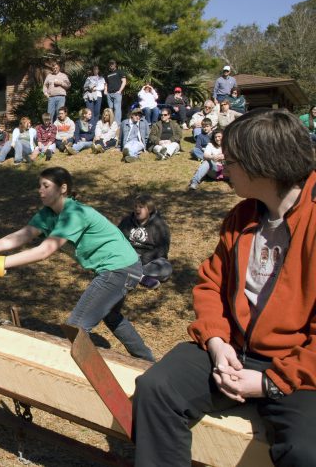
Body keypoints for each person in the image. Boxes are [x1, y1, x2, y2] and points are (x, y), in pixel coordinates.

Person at [133, 109, 316, 466]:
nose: (220, 164)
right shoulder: (242, 215)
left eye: (229, 160)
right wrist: (216, 343)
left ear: (261, 165)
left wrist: (268, 383)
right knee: (156, 390)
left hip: (300, 366)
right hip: (231, 349)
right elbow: (211, 284)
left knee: (308, 452)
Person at [0, 167, 153, 361]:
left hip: (119, 269)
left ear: (63, 188)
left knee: (76, 327)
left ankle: (91, 375)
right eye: (39, 186)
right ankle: (147, 361)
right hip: (120, 268)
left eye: (46, 186)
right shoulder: (47, 214)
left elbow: (44, 251)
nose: (40, 190)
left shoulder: (74, 213)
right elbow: (23, 235)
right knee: (111, 315)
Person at [118, 194, 172, 290]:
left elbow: (162, 250)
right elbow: (118, 238)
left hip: (149, 261)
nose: (137, 210)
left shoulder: (160, 225)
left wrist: (141, 260)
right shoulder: (126, 221)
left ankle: (127, 273)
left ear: (150, 209)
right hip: (129, 256)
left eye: (141, 207)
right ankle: (141, 277)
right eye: (135, 207)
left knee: (165, 269)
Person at [104, 60, 128, 125]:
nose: (111, 65)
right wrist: (105, 90)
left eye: (112, 64)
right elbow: (106, 83)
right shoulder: (107, 74)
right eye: (110, 64)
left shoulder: (119, 72)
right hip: (109, 94)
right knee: (110, 109)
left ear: (115, 64)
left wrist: (120, 91)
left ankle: (117, 124)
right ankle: (111, 123)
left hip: (117, 93)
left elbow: (124, 81)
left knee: (117, 109)